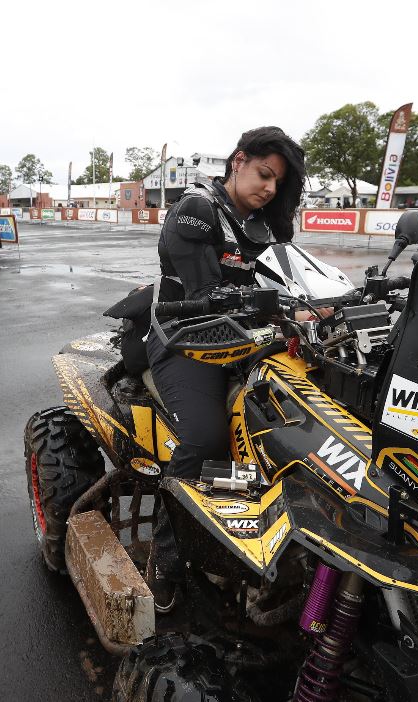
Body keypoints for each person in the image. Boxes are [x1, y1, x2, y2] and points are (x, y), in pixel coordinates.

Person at [141, 126, 306, 611]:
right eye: (264, 174)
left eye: (278, 182)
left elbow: (295, 275)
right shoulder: (197, 210)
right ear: (238, 160)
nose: (270, 188)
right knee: (207, 436)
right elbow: (203, 296)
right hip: (187, 340)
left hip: (245, 340)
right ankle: (166, 557)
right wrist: (271, 309)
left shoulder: (263, 225)